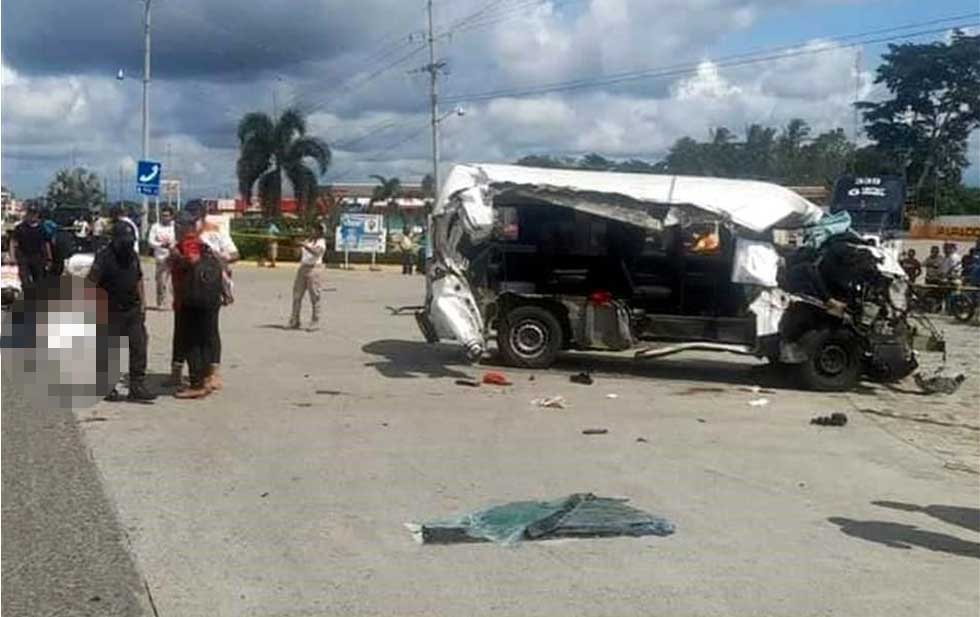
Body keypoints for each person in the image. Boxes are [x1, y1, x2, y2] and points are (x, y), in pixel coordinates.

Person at [86, 222, 156, 402]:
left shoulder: (132, 255)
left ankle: (137, 386)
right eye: (124, 241)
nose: (127, 245)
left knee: (138, 346)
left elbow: (138, 279)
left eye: (130, 241)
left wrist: (143, 303)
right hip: (109, 309)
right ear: (114, 240)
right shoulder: (104, 257)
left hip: (132, 308)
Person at [168, 214, 222, 399]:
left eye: (177, 226)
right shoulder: (204, 245)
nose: (175, 229)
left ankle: (197, 384)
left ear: (184, 227)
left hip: (191, 299)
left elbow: (191, 260)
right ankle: (206, 378)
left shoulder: (187, 243)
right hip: (208, 299)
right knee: (205, 338)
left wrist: (177, 257)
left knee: (192, 341)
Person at [197, 211, 239, 390]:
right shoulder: (186, 233)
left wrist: (220, 257)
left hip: (211, 285)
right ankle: (194, 373)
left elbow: (235, 254)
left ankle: (213, 373)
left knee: (210, 330)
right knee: (190, 331)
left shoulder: (216, 231)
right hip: (190, 287)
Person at [289, 225, 326, 331]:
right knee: (297, 295)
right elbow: (298, 255)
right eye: (311, 229)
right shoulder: (307, 241)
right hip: (303, 267)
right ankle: (295, 320)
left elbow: (316, 253)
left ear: (319, 232)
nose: (312, 231)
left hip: (314, 269)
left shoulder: (321, 242)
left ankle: (315, 321)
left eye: (314, 230)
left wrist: (304, 246)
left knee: (315, 296)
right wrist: (296, 247)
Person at [8, 206, 51, 292]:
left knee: (39, 281)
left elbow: (46, 243)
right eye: (30, 213)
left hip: (38, 258)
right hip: (24, 257)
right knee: (25, 281)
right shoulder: (20, 228)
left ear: (37, 215)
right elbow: (13, 242)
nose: (33, 216)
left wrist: (49, 257)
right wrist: (12, 257)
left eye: (35, 213)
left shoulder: (42, 228)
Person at [147, 206, 176, 309]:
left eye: (167, 215)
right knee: (161, 282)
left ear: (171, 216)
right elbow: (150, 241)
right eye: (163, 215)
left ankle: (176, 302)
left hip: (173, 258)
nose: (165, 217)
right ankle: (161, 302)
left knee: (174, 283)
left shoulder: (175, 227)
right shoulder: (155, 227)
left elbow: (179, 239)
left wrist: (172, 246)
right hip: (161, 258)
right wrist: (160, 245)